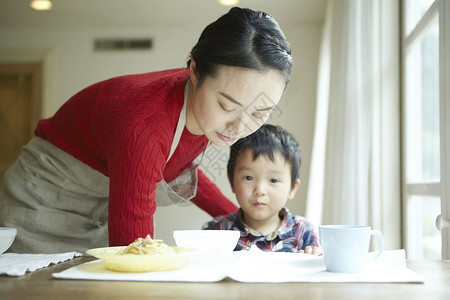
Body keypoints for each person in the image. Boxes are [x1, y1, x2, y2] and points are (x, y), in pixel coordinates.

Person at [0, 7, 293, 253]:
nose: (239, 126)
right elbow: (134, 250)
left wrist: (243, 220)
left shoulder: (204, 114)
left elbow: (173, 168)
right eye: (228, 106)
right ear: (194, 71)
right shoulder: (145, 126)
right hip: (41, 202)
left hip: (96, 213)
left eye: (260, 112)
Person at [202, 124, 320, 254]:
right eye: (248, 177)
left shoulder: (303, 232)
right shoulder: (216, 231)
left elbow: (319, 270)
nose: (260, 190)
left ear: (292, 188)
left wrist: (313, 260)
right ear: (232, 182)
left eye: (273, 180)